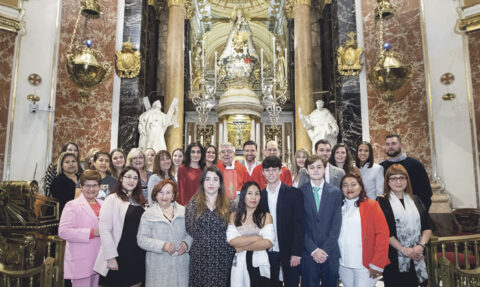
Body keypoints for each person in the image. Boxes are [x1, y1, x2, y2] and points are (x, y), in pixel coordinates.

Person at [377, 164, 434, 287]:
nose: (398, 181)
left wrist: (421, 246)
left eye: (402, 178)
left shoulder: (416, 200)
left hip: (417, 255)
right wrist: (403, 249)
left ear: (407, 180)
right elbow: (384, 232)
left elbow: (427, 226)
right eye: (394, 178)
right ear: (388, 181)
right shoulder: (382, 202)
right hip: (394, 258)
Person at [94, 167, 147, 287]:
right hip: (117, 254)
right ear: (121, 178)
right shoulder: (112, 198)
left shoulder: (140, 201)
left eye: (135, 178)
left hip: (136, 255)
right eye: (128, 176)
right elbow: (105, 230)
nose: (131, 180)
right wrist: (111, 257)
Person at [185, 166, 235, 287]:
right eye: (207, 179)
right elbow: (189, 228)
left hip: (223, 257)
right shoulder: (193, 203)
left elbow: (234, 230)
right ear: (202, 182)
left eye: (215, 179)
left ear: (220, 183)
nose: (211, 183)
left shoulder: (231, 205)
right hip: (200, 258)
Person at [338, 173, 390, 287]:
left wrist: (377, 263)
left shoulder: (372, 205)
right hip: (343, 264)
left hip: (365, 265)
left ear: (361, 187)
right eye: (345, 185)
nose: (349, 188)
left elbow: (383, 235)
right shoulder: (338, 207)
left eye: (353, 184)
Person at [137, 180, 192, 287]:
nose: (164, 196)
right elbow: (141, 239)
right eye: (161, 192)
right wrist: (163, 245)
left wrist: (186, 243)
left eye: (168, 192)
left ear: (173, 195)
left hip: (180, 266)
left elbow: (191, 233)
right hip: (158, 267)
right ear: (155, 195)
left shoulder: (184, 212)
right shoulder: (148, 214)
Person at [259, 156, 304, 287]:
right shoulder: (260, 196)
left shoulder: (294, 194)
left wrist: (296, 252)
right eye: (267, 170)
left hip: (290, 252)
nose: (271, 173)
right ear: (263, 172)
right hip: (268, 251)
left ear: (280, 171)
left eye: (274, 169)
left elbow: (299, 225)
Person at [300, 155, 342, 287]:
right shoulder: (299, 193)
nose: (316, 170)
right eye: (311, 167)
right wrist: (313, 250)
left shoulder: (335, 192)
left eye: (319, 167)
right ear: (307, 170)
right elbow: (300, 226)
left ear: (325, 169)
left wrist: (324, 250)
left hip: (330, 252)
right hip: (308, 253)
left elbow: (336, 225)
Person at [59, 170, 103, 287]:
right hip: (81, 262)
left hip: (100, 260)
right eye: (87, 185)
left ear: (99, 187)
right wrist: (92, 232)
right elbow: (63, 232)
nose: (91, 189)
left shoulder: (103, 204)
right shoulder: (72, 205)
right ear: (81, 187)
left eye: (94, 185)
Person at [227, 181, 275, 287]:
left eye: (257, 193)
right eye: (250, 193)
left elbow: (268, 242)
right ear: (243, 195)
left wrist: (242, 247)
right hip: (239, 264)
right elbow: (232, 241)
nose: (254, 197)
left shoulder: (265, 216)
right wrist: (256, 238)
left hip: (258, 265)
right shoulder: (234, 216)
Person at [380, 135, 432, 210]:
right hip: (389, 211)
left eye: (394, 143)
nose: (390, 147)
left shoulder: (415, 165)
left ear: (401, 145)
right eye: (387, 144)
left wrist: (420, 211)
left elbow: (425, 192)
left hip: (413, 210)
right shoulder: (381, 167)